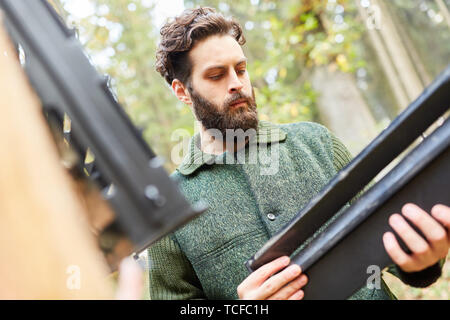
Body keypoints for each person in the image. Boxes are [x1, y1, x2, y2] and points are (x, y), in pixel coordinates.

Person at [147, 7, 449, 300]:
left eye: (240, 69)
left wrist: (423, 258)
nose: (237, 84)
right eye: (216, 75)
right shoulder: (171, 208)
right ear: (182, 92)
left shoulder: (317, 142)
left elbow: (392, 236)